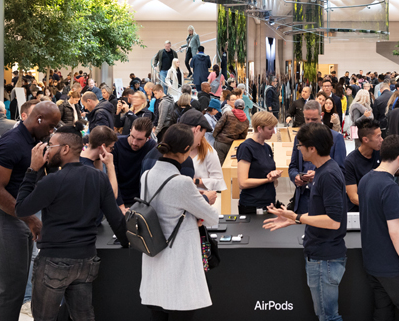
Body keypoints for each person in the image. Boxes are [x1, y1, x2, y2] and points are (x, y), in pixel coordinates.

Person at [14, 125, 129, 321]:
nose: (47, 150)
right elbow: (116, 218)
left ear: (65, 149)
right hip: (86, 260)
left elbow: (21, 209)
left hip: (54, 260)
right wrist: (127, 247)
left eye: (51, 145)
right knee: (83, 316)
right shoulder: (98, 178)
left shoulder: (53, 181)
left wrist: (32, 170)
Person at [0, 101, 61, 321]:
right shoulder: (10, 142)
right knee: (12, 286)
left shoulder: (36, 140)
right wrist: (29, 219)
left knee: (22, 280)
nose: (52, 130)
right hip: (2, 212)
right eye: (51, 126)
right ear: (38, 120)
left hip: (22, 212)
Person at [264, 122, 348, 321]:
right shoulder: (323, 171)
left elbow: (334, 221)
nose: (298, 149)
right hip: (321, 255)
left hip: (324, 258)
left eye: (300, 145)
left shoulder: (328, 175)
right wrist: (294, 221)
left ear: (312, 148)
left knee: (328, 316)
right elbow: (323, 214)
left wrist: (298, 217)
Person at [139, 124, 219, 320]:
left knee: (157, 313)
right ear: (186, 149)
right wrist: (206, 199)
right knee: (181, 312)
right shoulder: (182, 182)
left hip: (153, 253)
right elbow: (211, 217)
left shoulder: (146, 176)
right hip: (178, 258)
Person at [355, 133, 399, 319]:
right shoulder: (389, 187)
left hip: (372, 262)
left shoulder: (365, 180)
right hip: (391, 265)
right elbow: (395, 232)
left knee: (383, 311)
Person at [237, 111, 281, 214]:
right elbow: (242, 183)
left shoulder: (267, 148)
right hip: (252, 205)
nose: (273, 132)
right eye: (270, 129)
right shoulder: (246, 148)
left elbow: (271, 178)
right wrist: (267, 180)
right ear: (259, 128)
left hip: (269, 204)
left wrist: (274, 176)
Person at [113, 117, 156, 213]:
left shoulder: (152, 146)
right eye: (132, 136)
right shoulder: (117, 144)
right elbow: (112, 176)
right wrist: (120, 205)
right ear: (130, 131)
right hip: (117, 198)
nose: (134, 142)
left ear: (148, 138)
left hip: (140, 201)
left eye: (140, 139)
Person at [344, 118, 383, 211]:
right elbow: (353, 197)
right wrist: (375, 205)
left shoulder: (381, 154)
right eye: (378, 136)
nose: (382, 139)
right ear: (365, 139)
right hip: (358, 212)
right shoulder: (350, 162)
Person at [213, 98, 249, 165]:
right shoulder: (246, 121)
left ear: (234, 106)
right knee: (228, 165)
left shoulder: (227, 114)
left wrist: (215, 137)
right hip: (232, 145)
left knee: (218, 165)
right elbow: (243, 136)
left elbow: (218, 126)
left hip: (221, 142)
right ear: (243, 108)